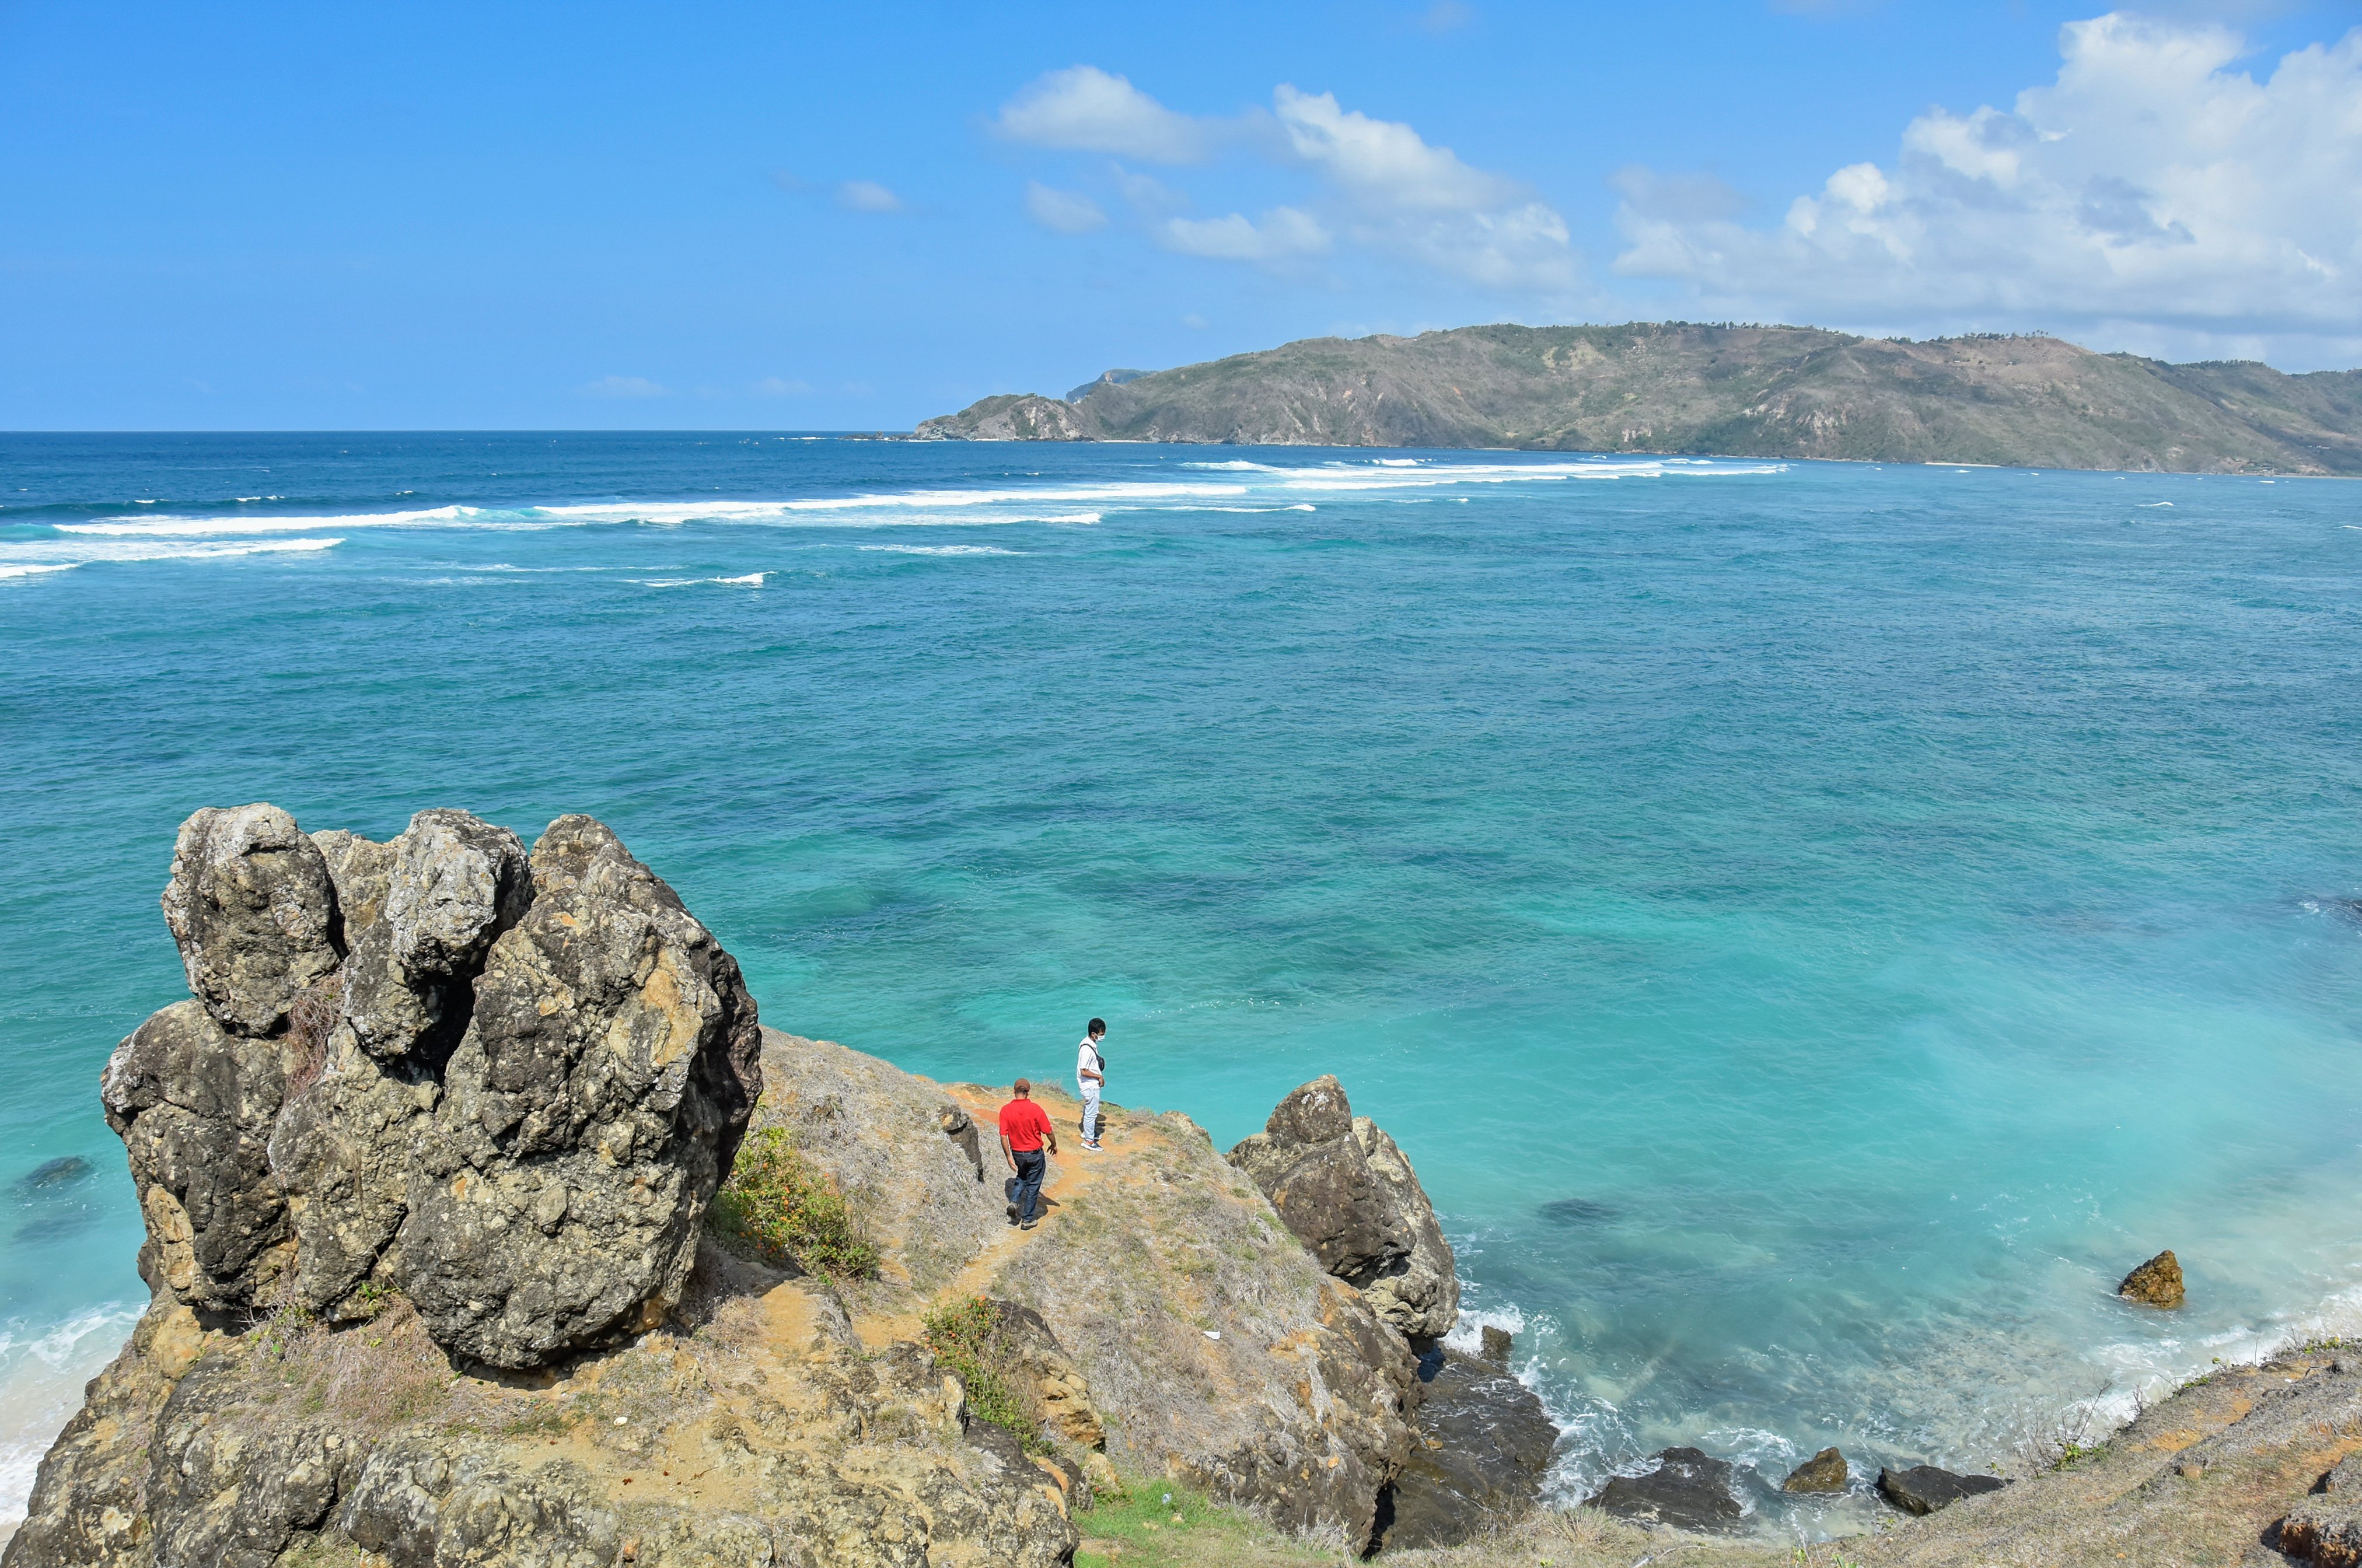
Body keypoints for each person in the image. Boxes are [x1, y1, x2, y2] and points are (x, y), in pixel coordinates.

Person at [997, 1077, 1058, 1230]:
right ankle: (1027, 1220)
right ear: (1028, 1093)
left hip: (1017, 1153)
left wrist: (1008, 1156)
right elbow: (1048, 1131)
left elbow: (1003, 1136)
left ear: (1014, 1091)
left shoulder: (1006, 1110)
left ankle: (1014, 1201)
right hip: (1035, 1154)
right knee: (1033, 1185)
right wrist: (1054, 1144)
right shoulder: (1036, 1109)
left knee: (1022, 1176)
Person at [1075, 1018, 1107, 1151]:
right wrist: (1099, 1076)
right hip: (1089, 1085)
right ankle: (1089, 1141)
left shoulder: (1088, 1043)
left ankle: (1088, 1132)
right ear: (1094, 1034)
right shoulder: (1087, 1049)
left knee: (1090, 1110)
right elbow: (1084, 1071)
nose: (1103, 1037)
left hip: (1090, 1085)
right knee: (1092, 1113)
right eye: (1101, 1034)